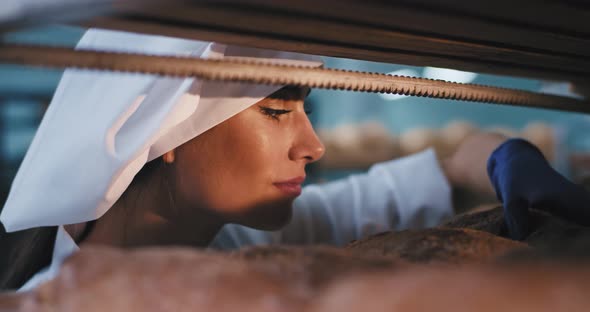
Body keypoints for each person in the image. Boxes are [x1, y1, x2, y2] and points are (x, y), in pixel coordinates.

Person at [1, 29, 588, 291]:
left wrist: (506, 159)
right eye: (277, 112)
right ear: (165, 133)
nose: (315, 146)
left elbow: (454, 162)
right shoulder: (56, 300)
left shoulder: (234, 243)